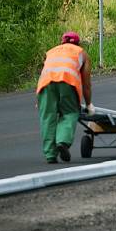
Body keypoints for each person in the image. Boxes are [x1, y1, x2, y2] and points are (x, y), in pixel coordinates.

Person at [35, 31, 93, 163]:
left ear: (62, 42)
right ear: (78, 43)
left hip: (45, 85)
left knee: (47, 117)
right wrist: (89, 104)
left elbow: (43, 74)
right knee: (70, 113)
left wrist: (39, 100)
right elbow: (86, 84)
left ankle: (50, 155)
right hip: (68, 82)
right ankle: (62, 142)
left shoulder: (50, 52)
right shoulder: (81, 52)